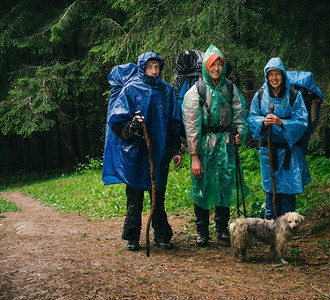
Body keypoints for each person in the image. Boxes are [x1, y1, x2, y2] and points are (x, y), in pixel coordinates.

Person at [102, 52, 182, 251]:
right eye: (150, 67)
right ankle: (132, 237)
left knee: (158, 194)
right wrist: (132, 127)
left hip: (160, 152)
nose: (154, 71)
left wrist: (175, 150)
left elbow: (174, 122)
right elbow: (117, 122)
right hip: (136, 154)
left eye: (157, 66)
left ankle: (162, 235)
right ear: (142, 68)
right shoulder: (131, 89)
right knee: (135, 195)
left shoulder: (166, 90)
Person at [182, 45, 248, 247]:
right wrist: (194, 156)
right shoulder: (196, 92)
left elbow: (239, 114)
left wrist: (239, 134)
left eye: (220, 64)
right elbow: (191, 126)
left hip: (226, 145)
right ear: (206, 67)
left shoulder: (230, 88)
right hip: (204, 146)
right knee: (202, 186)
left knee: (224, 184)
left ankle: (222, 230)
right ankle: (202, 231)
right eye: (213, 65)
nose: (217, 68)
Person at [247, 57, 311, 219]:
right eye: (271, 74)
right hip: (268, 151)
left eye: (277, 74)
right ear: (266, 76)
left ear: (283, 75)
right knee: (271, 186)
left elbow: (302, 121)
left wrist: (281, 122)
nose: (274, 78)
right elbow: (252, 117)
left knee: (288, 187)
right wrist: (263, 122)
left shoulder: (294, 96)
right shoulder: (260, 95)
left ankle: (288, 226)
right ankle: (270, 224)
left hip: (288, 151)